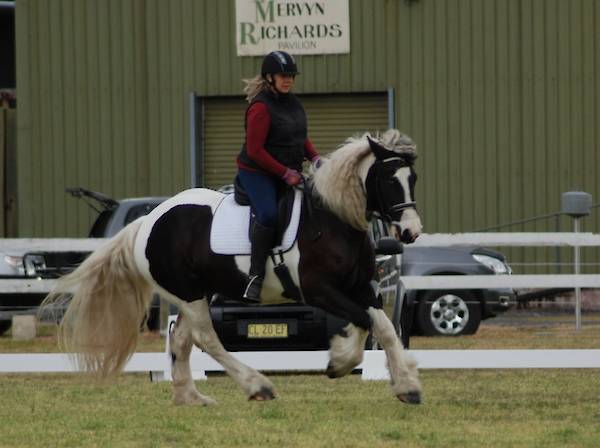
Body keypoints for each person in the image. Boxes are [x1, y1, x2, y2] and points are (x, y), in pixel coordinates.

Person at [236, 51, 321, 302]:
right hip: (257, 172)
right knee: (268, 214)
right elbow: (255, 151)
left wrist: (316, 158)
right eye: (284, 76)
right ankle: (255, 277)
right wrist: (284, 173)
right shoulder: (260, 108)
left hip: (286, 171)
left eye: (292, 76)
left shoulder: (292, 103)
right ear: (270, 77)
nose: (289, 80)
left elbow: (300, 137)